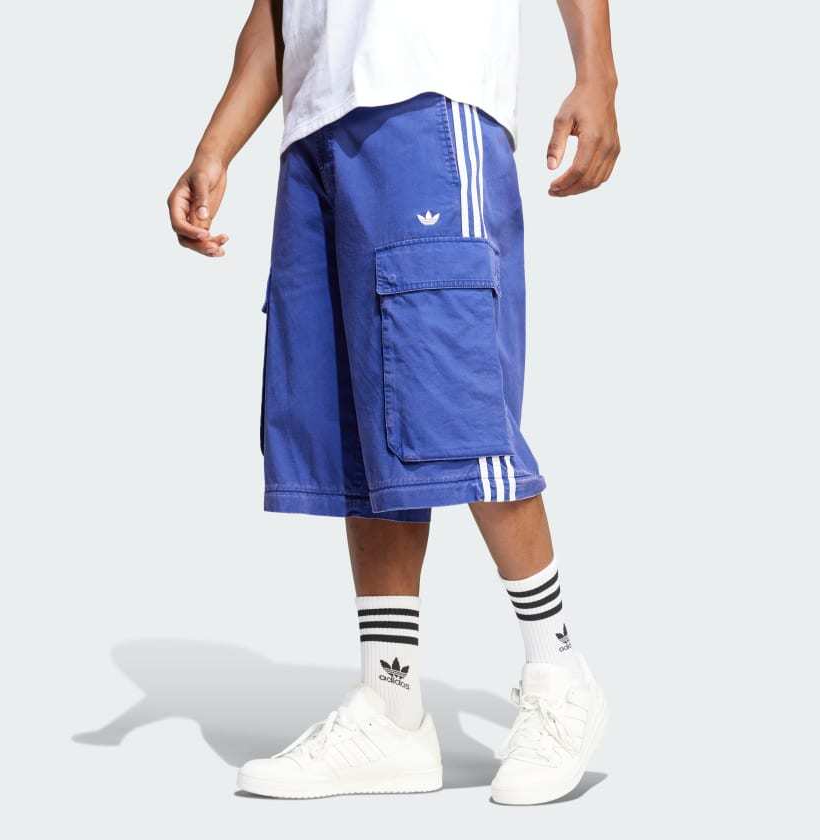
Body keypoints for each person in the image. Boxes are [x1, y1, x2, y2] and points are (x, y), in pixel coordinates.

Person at [167, 0, 620, 805]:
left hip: (429, 93)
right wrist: (215, 147)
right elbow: (277, 13)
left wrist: (597, 74)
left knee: (459, 409)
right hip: (316, 128)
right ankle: (391, 703)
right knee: (360, 426)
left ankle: (560, 674)